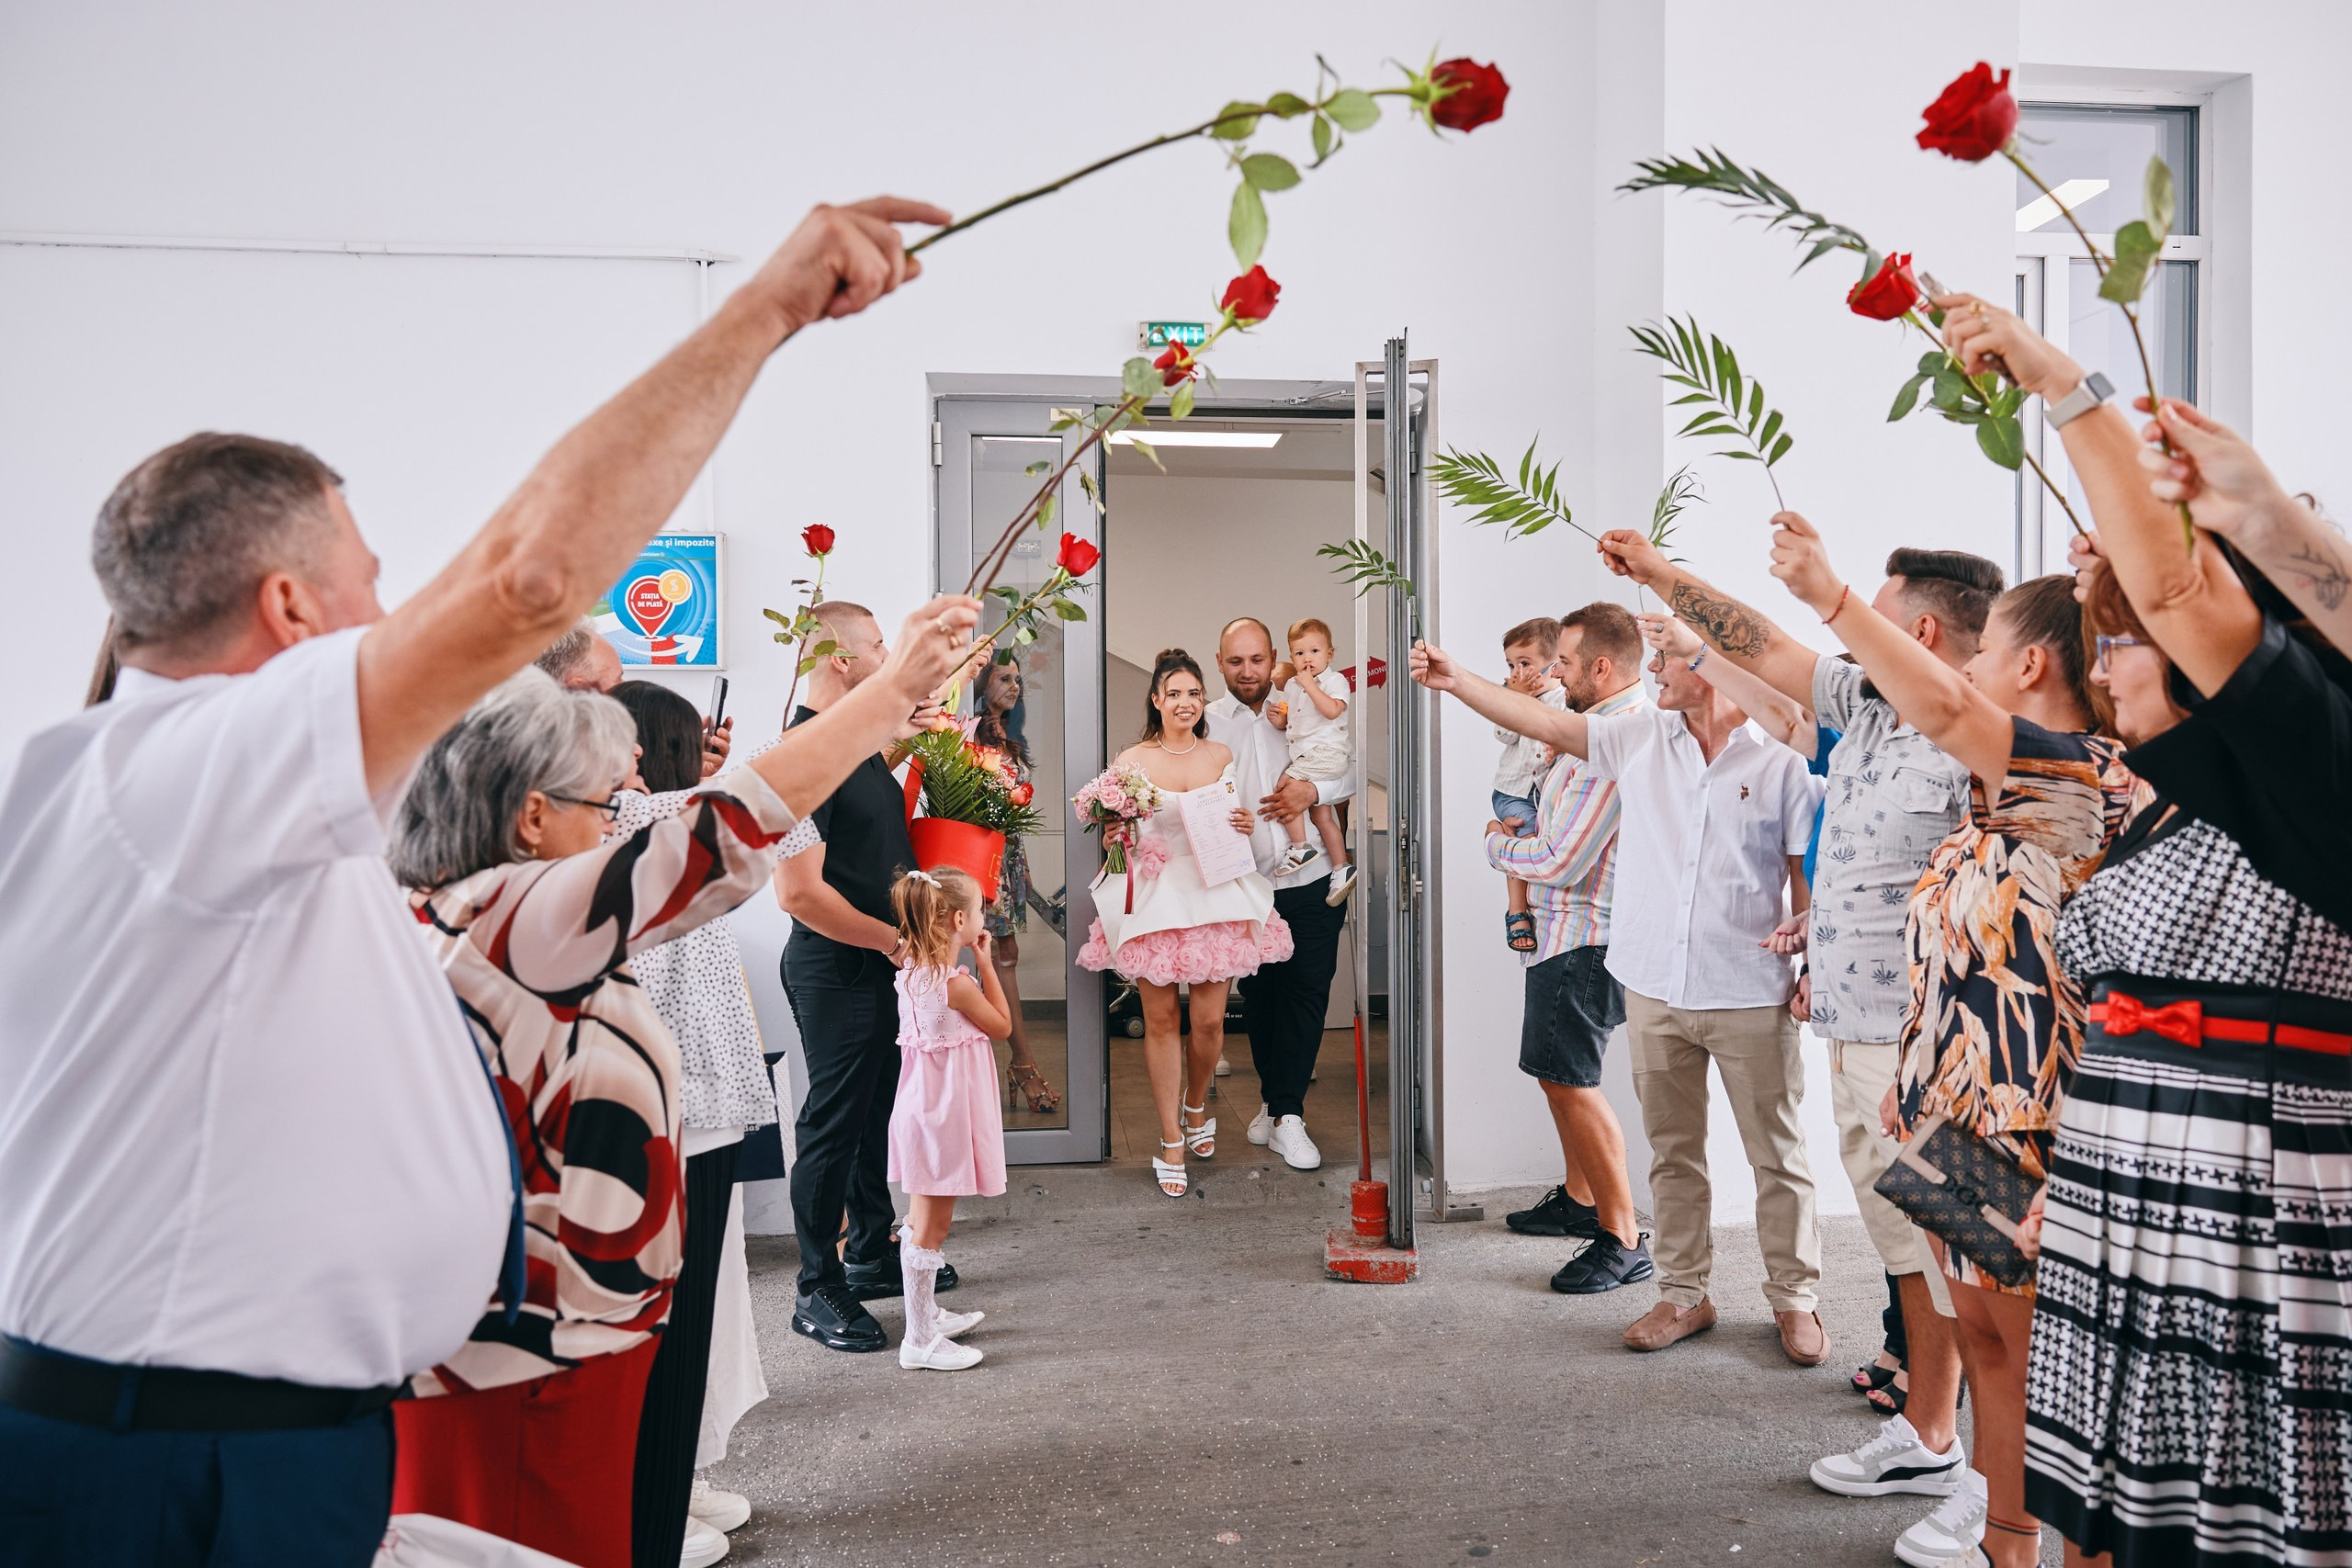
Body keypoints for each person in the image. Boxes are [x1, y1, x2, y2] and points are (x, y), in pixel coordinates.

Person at [0, 193, 949, 1567]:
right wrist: (769, 309)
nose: (395, 619)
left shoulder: (148, 793)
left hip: (249, 1427)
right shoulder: (196, 768)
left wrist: (888, 695)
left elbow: (702, 835)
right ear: (286, 608)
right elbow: (527, 580)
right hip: (179, 1451)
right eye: (372, 582)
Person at [384, 644, 954, 1567]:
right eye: (600, 807)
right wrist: (887, 697)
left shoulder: (462, 912)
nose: (615, 822)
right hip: (535, 1345)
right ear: (531, 815)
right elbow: (729, 834)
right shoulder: (509, 919)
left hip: (547, 1327)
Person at [1942, 290, 2352, 1567]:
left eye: (2128, 642)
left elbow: (2173, 594)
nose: (2110, 653)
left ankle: (1987, 1506)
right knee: (2011, 1367)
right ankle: (1986, 1498)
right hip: (2015, 1105)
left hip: (2206, 1162)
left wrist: (2076, 398)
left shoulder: (2104, 775)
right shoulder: (2165, 798)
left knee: (2196, 1503)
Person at [1601, 536, 2001, 1543]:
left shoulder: (1980, 734)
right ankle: (1927, 1432)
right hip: (1857, 1032)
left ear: (1916, 627)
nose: (1846, 627)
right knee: (1906, 1249)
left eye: (1872, 607)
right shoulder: (1867, 706)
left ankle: (2004, 1492)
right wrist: (1658, 576)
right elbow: (1760, 645)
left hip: (1938, 1045)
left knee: (1977, 1266)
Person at [1762, 510, 2134, 1568]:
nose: (1964, 669)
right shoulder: (1982, 806)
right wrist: (1916, 1078)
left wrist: (1830, 596)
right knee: (1977, 1332)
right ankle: (1995, 1522)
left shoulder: (2070, 780)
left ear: (2022, 663)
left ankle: (2017, 1526)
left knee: (2029, 1348)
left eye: (1983, 649)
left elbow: (1932, 692)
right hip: (1947, 1105)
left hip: (2032, 1120)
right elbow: (1950, 957)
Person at [1411, 619, 1826, 1365]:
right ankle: (1683, 1293)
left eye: (1667, 659)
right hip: (1655, 987)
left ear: (1714, 670)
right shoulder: (1637, 741)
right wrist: (1459, 681)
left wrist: (1811, 964)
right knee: (1674, 1152)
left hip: (1747, 990)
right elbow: (1541, 717)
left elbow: (1803, 875)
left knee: (1778, 1154)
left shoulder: (1779, 764)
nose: (1653, 670)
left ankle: (1795, 1301)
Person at [606, 680, 776, 1568]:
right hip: (672, 1114)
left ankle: (685, 1469)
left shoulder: (670, 825)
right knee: (671, 1318)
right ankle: (654, 1507)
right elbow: (787, 816)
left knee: (710, 1308)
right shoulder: (639, 828)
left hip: (713, 1106)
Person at [774, 600, 956, 1353]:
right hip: (840, 968)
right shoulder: (793, 755)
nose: (888, 655)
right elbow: (799, 892)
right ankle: (816, 1288)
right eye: (879, 645)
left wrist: (903, 744)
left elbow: (856, 823)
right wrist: (896, 942)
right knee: (833, 1126)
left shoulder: (844, 747)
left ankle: (870, 1254)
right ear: (841, 659)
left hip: (880, 963)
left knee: (879, 1113)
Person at [1477, 603, 1652, 1294]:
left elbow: (1559, 857)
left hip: (1585, 934)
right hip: (1562, 931)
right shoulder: (1589, 732)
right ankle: (1582, 1201)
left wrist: (1495, 842)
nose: (1554, 674)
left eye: (1567, 665)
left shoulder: (1607, 742)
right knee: (1558, 1074)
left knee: (1571, 1081)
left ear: (1601, 669)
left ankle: (1623, 1236)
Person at [1079, 649, 1292, 1197]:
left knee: (1210, 1024)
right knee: (1160, 1021)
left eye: (1193, 693)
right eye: (1173, 693)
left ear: (1203, 701)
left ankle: (1197, 1103)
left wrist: (1244, 821)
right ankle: (1171, 1135)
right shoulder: (1131, 760)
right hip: (1156, 894)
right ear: (1156, 700)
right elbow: (1117, 830)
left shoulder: (1220, 754)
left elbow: (1235, 819)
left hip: (1213, 892)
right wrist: (1113, 837)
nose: (1184, 702)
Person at [1209, 618, 1353, 1171]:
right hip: (1246, 887)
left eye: (1257, 660)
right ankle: (1274, 1103)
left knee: (1308, 995)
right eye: (1236, 661)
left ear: (1274, 658)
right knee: (1263, 1001)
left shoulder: (1303, 698)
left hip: (1312, 878)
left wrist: (1311, 790)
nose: (1248, 671)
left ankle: (1289, 1113)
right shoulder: (1207, 720)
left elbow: (1349, 765)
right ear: (1220, 662)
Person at [885, 865, 1010, 1372]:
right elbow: (1001, 1026)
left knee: (920, 1223)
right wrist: (987, 960)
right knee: (931, 1229)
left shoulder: (911, 975)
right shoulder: (955, 985)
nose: (983, 917)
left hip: (921, 1111)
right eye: (978, 910)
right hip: (944, 1118)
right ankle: (918, 1339)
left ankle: (927, 1314)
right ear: (960, 919)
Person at [972, 658, 1060, 1114]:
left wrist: (1021, 867)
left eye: (1017, 678)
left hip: (1007, 864)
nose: (1014, 685)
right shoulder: (963, 734)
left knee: (1005, 959)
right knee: (987, 962)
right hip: (974, 864)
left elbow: (1013, 817)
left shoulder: (1009, 736)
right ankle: (1020, 1067)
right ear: (981, 683)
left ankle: (1018, 1064)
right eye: (1004, 678)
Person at [1489, 615, 1568, 954]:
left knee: (1550, 838)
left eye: (1525, 663)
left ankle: (1540, 904)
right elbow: (1502, 734)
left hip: (1546, 791)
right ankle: (1517, 908)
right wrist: (1515, 700)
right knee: (1527, 836)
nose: (1516, 673)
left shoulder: (1566, 698)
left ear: (1554, 664)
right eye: (1511, 664)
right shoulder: (1511, 696)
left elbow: (1569, 739)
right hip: (1514, 791)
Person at [1267, 616, 1357, 902]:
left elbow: (1332, 711)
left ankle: (1300, 845)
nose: (1307, 659)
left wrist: (1310, 685)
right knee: (1321, 814)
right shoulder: (1292, 686)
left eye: (1315, 652)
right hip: (1309, 754)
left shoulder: (1334, 680)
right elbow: (1294, 723)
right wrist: (1280, 718)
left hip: (1326, 754)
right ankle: (1342, 866)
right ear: (1291, 656)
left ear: (1329, 654)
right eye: (1300, 653)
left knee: (1286, 786)